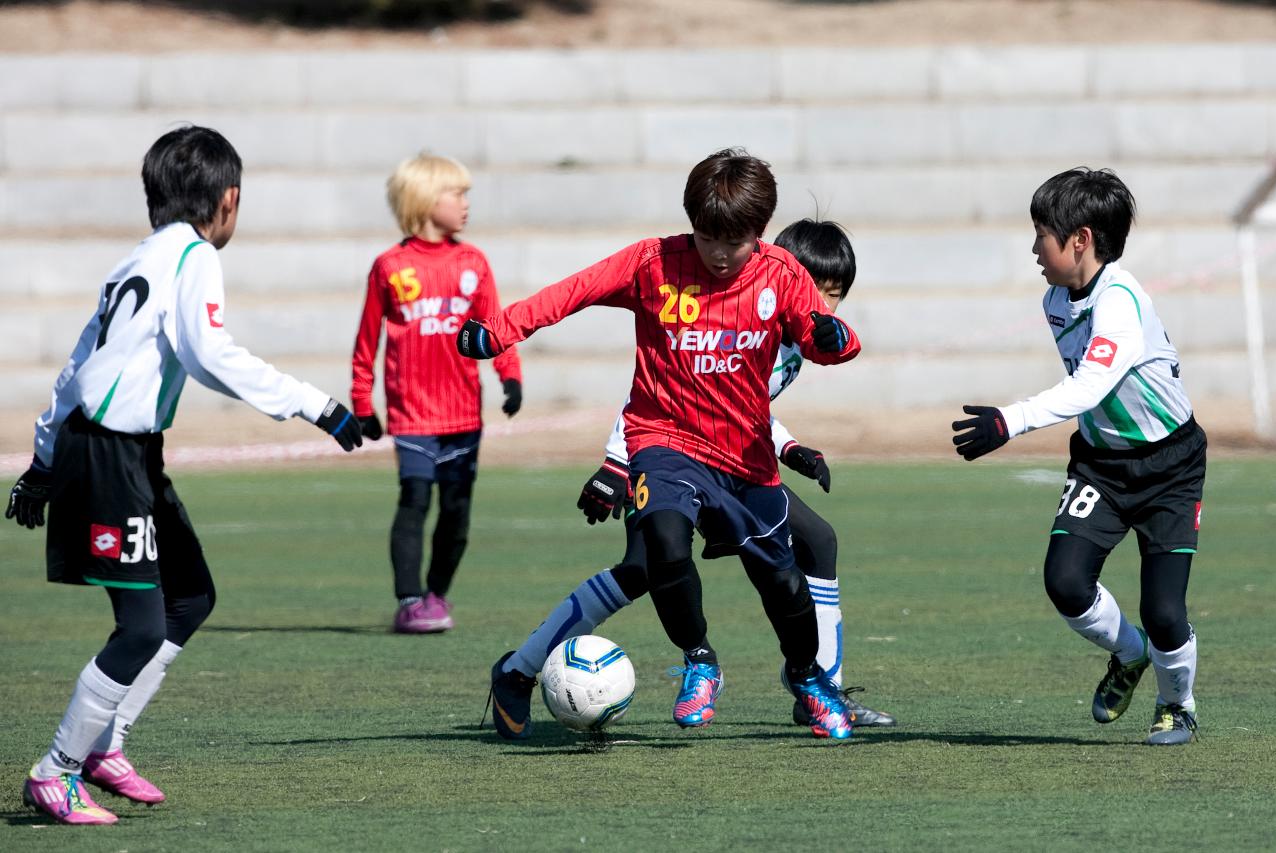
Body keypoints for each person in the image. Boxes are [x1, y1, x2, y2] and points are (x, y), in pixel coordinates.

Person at [3, 125, 364, 826]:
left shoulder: (136, 259)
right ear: (229, 200)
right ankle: (56, 771)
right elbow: (210, 355)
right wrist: (315, 404)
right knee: (141, 627)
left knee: (189, 597)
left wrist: (43, 459)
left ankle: (104, 744)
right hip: (111, 451)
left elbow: (77, 365)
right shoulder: (194, 257)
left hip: (124, 450)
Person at [459, 149, 862, 739]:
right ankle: (700, 661)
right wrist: (498, 330)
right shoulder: (653, 262)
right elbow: (572, 292)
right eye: (708, 239)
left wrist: (834, 338)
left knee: (773, 577)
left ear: (761, 233)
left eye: (736, 241)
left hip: (743, 457)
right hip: (663, 443)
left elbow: (827, 342)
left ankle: (809, 677)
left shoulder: (780, 274)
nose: (721, 255)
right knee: (664, 548)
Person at [951, 167, 1206, 746]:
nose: (1034, 248)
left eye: (1042, 234)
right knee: (1066, 582)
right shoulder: (1055, 299)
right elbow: (1092, 395)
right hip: (1101, 463)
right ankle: (1129, 653)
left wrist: (1008, 421)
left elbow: (1091, 384)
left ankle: (1178, 705)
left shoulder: (1121, 301)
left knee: (1166, 611)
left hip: (1171, 467)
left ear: (1080, 239)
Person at [351, 152, 522, 634]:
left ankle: (436, 596)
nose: (466, 203)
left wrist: (509, 376)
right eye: (457, 193)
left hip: (464, 413)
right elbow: (368, 341)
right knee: (415, 499)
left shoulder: (473, 262)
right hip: (412, 416)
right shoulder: (389, 266)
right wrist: (362, 404)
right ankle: (409, 600)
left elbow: (496, 328)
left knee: (457, 513)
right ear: (426, 199)